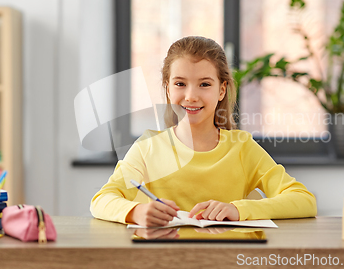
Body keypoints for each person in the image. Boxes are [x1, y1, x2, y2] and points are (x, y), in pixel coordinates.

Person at [90, 36, 317, 227]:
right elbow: (101, 200)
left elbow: (304, 200)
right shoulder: (148, 146)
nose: (190, 96)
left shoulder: (241, 147)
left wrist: (238, 209)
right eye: (180, 84)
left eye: (204, 84)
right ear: (167, 89)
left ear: (222, 90)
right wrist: (136, 212)